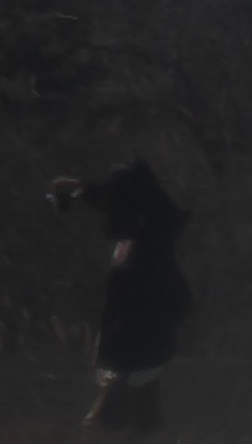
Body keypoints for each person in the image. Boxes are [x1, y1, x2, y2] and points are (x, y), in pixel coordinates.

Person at [50, 160, 193, 433]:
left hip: (137, 347)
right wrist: (81, 190)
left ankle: (117, 423)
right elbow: (117, 199)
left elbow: (152, 305)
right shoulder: (143, 234)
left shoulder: (147, 246)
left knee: (121, 413)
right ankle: (129, 424)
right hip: (137, 347)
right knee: (140, 414)